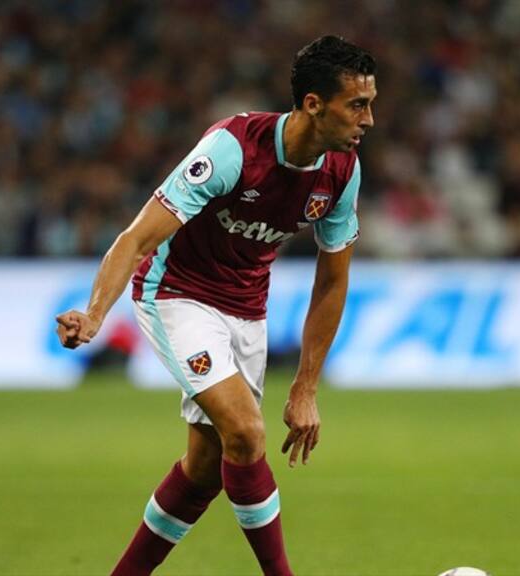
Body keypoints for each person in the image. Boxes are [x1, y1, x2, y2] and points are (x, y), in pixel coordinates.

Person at [55, 35, 376, 575]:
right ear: (314, 104)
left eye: (370, 104)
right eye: (357, 105)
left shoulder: (342, 172)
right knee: (247, 433)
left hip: (247, 308)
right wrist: (94, 314)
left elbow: (332, 283)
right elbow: (136, 238)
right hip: (178, 294)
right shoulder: (233, 148)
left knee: (205, 468)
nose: (368, 119)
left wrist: (305, 386)